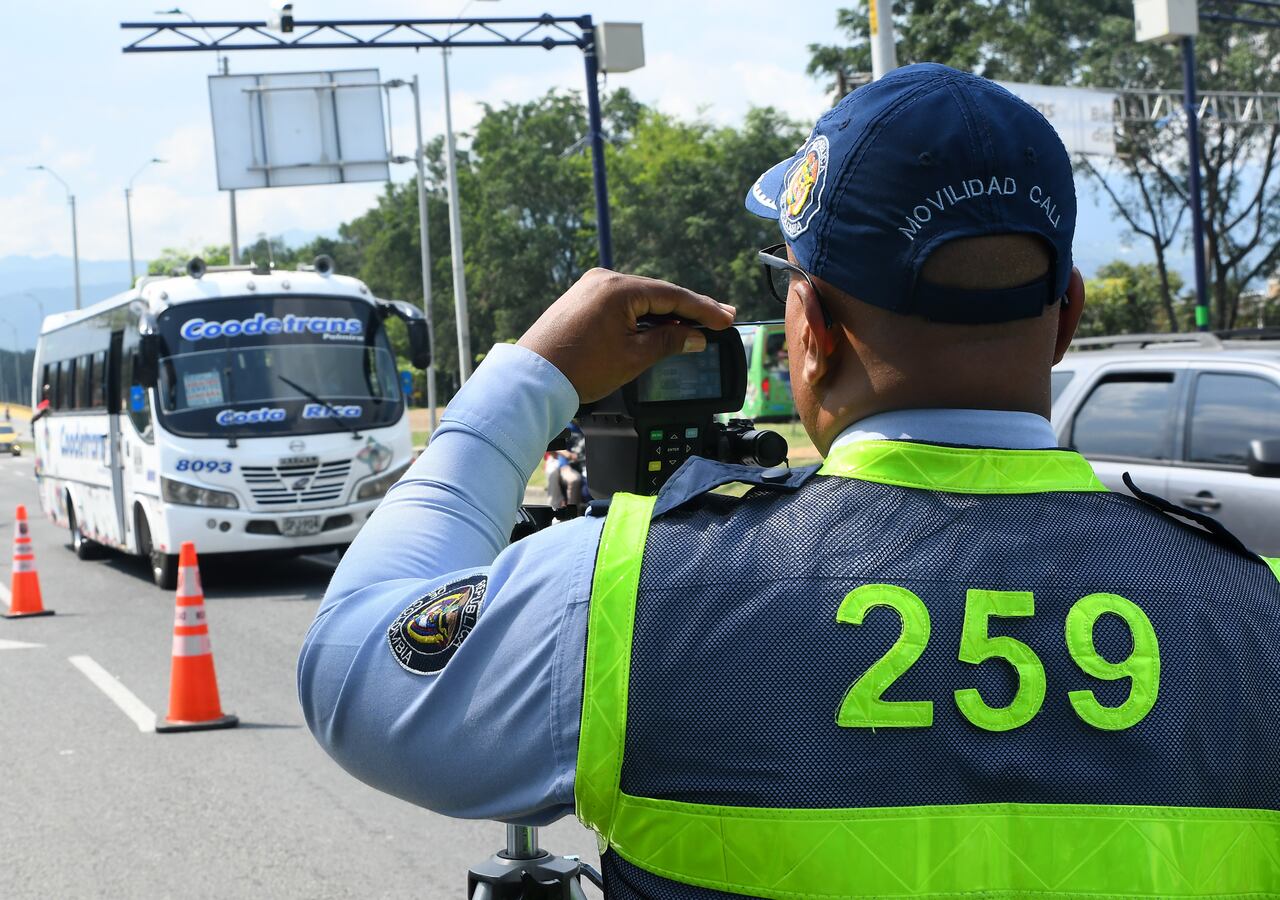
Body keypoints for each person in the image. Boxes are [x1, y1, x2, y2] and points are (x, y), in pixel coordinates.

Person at [299, 63, 1280, 898]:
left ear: (807, 334)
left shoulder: (630, 598)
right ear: (1064, 317)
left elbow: (347, 670)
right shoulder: (1253, 614)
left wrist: (529, 381)